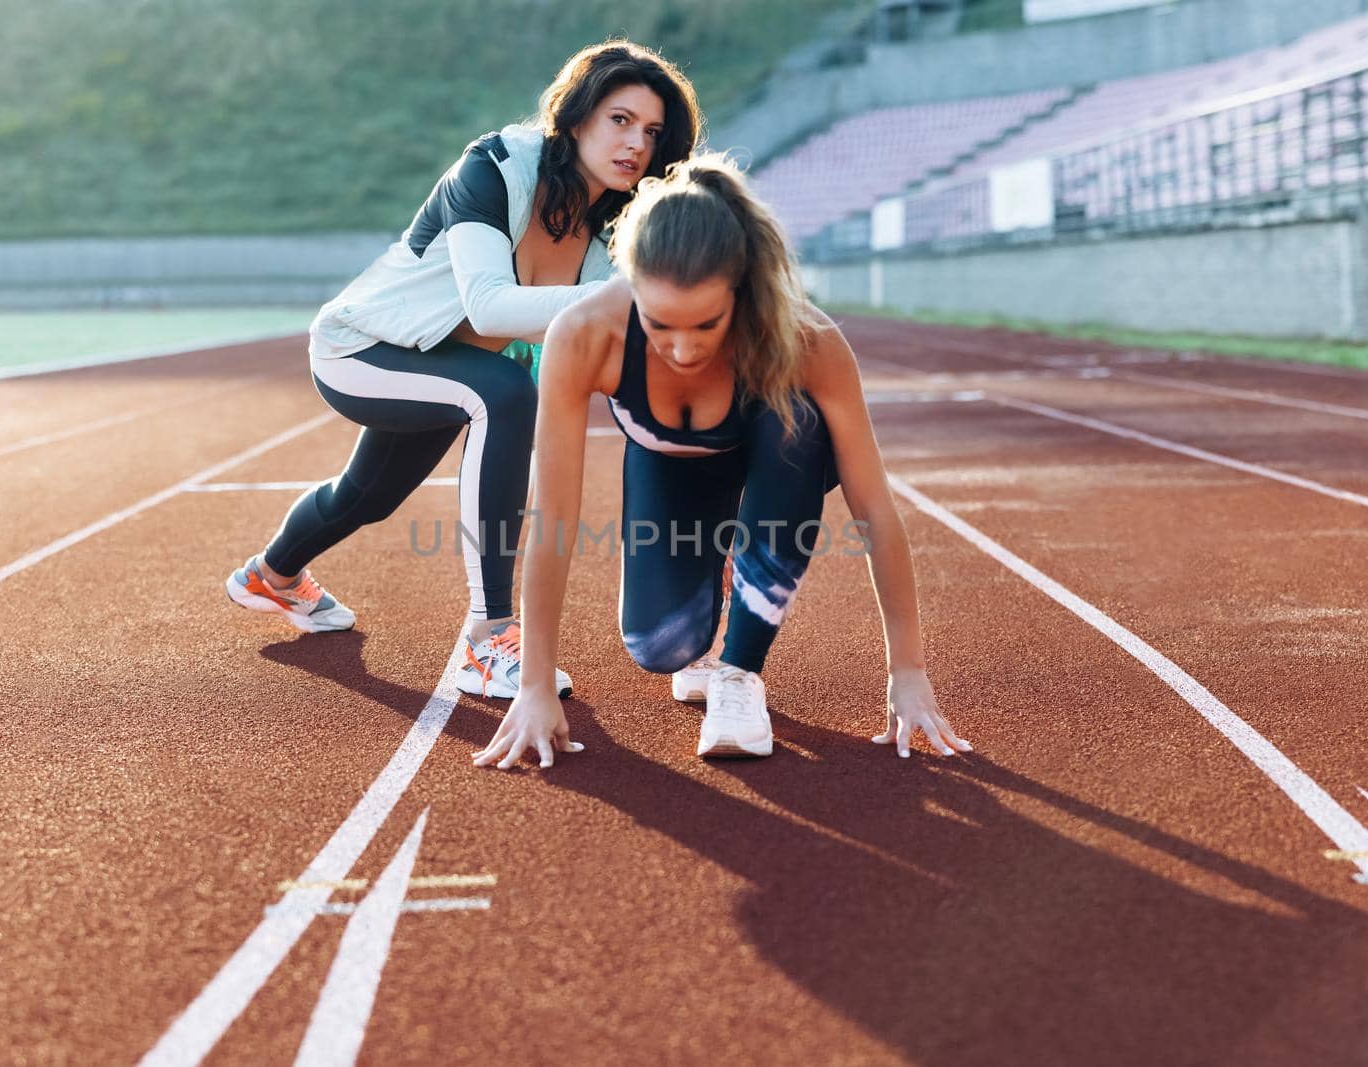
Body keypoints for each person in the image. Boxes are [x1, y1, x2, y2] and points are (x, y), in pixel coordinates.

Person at [224, 41, 702, 700]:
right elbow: (489, 304)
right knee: (502, 395)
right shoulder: (495, 167)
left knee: (367, 495)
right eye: (620, 120)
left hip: (454, 363)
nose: (636, 144)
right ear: (578, 116)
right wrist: (632, 301)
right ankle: (487, 638)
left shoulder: (614, 224)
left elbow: (590, 334)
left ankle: (270, 575)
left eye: (651, 132)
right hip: (361, 348)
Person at [473, 153, 973, 767]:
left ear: (741, 292)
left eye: (706, 325)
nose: (683, 349)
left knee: (800, 424)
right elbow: (553, 516)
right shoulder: (583, 334)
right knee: (662, 648)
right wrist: (535, 684)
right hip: (669, 470)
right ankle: (717, 584)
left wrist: (909, 670)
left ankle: (740, 675)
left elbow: (874, 506)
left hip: (775, 468)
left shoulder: (808, 341)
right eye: (660, 325)